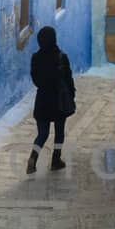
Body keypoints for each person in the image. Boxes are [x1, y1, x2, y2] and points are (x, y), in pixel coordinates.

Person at [28, 25, 75, 174]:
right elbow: (68, 79)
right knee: (59, 132)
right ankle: (56, 160)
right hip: (58, 101)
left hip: (42, 100)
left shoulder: (35, 58)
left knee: (42, 134)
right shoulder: (61, 57)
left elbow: (35, 79)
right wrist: (71, 95)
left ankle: (33, 158)